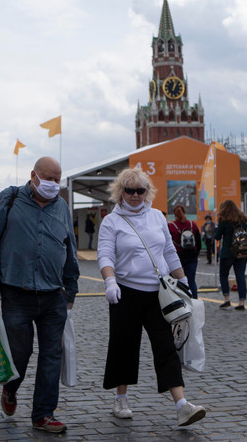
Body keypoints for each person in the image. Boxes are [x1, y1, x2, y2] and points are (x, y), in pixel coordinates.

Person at [97, 167, 206, 427]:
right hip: (125, 293)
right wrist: (110, 280)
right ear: (120, 191)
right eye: (129, 190)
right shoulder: (111, 221)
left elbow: (169, 251)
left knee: (166, 347)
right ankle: (121, 398)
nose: (135, 195)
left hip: (159, 294)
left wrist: (183, 280)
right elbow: (105, 255)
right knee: (124, 346)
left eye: (140, 190)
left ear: (147, 192)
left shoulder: (157, 216)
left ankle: (182, 405)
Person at [0, 156, 79, 434]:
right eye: (48, 178)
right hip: (16, 293)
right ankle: (10, 389)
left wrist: (71, 288)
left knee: (51, 354)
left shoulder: (62, 208)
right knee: (20, 353)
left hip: (53, 295)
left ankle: (43, 414)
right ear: (33, 176)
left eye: (57, 180)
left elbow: (69, 249)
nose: (52, 184)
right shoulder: (9, 199)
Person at [215, 199, 247, 310]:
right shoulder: (243, 220)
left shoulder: (224, 221)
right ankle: (242, 302)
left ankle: (226, 299)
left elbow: (217, 236)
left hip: (228, 252)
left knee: (224, 275)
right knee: (240, 276)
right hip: (242, 251)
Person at [168, 205, 201, 298]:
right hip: (192, 256)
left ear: (174, 214)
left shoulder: (171, 226)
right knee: (191, 281)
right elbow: (198, 242)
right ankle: (194, 301)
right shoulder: (192, 224)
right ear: (184, 212)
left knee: (176, 281)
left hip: (178, 256)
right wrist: (196, 253)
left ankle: (180, 301)